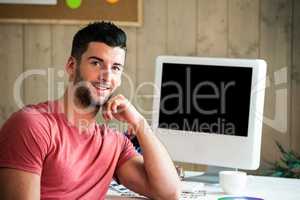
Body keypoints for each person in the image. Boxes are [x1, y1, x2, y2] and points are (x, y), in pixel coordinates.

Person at [0, 22, 180, 200]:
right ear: (71, 66)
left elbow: (168, 193)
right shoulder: (32, 126)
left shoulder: (113, 143)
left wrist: (139, 123)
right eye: (96, 63)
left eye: (116, 68)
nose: (107, 76)